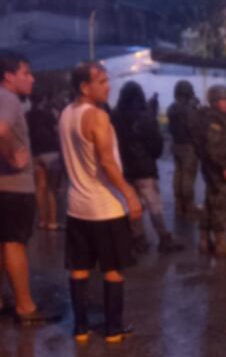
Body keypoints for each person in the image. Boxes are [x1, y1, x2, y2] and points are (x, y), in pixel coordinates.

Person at [59, 62, 142, 342]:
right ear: (85, 87)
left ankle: (80, 328)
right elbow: (107, 163)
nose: (108, 86)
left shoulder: (65, 115)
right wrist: (130, 194)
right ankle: (113, 329)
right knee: (112, 270)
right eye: (102, 81)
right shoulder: (97, 117)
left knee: (79, 268)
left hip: (76, 206)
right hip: (104, 207)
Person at [0, 51, 59, 323]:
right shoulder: (8, 98)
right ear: (9, 76)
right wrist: (11, 154)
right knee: (14, 244)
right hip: (13, 188)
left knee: (3, 244)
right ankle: (25, 307)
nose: (32, 79)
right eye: (26, 73)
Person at [112, 81, 183, 254]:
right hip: (145, 169)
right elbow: (156, 144)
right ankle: (164, 239)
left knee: (131, 204)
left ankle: (138, 239)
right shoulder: (145, 117)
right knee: (154, 205)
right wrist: (151, 156)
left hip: (123, 168)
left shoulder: (114, 116)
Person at [197, 85, 226, 256]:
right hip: (218, 169)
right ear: (214, 102)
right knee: (220, 204)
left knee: (210, 202)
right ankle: (220, 243)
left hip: (212, 168)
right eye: (223, 100)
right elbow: (214, 147)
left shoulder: (215, 117)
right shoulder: (214, 121)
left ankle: (203, 239)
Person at [26, 93, 63, 230]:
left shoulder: (28, 115)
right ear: (44, 100)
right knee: (51, 189)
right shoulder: (49, 114)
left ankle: (42, 220)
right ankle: (52, 222)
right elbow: (56, 131)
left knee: (40, 188)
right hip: (51, 152)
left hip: (36, 154)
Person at [167, 80, 201, 216]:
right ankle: (189, 206)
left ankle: (178, 206)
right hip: (189, 146)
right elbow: (193, 127)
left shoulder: (172, 108)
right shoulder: (189, 108)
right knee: (188, 177)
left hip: (176, 144)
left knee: (178, 175)